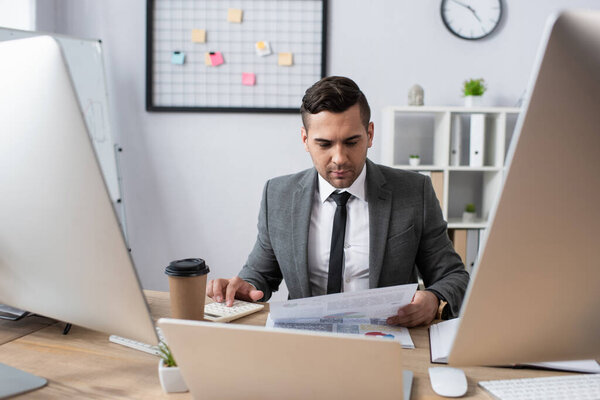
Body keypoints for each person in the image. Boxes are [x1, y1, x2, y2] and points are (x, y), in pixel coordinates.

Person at [207, 76, 469, 327]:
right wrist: (246, 287)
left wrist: (435, 300)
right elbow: (261, 273)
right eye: (324, 144)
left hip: (386, 337)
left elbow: (453, 276)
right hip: (306, 339)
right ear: (305, 140)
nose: (339, 158)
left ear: (369, 134)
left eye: (351, 142)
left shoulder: (413, 192)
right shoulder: (278, 195)